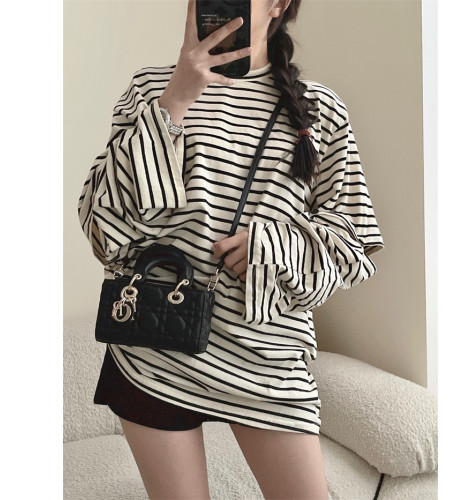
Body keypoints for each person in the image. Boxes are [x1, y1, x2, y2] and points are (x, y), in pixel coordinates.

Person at [77, 0, 385, 498]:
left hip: (267, 355)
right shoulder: (151, 89)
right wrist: (176, 99)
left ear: (279, 4)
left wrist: (272, 246)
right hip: (155, 348)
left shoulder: (319, 110)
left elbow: (354, 242)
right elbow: (102, 226)